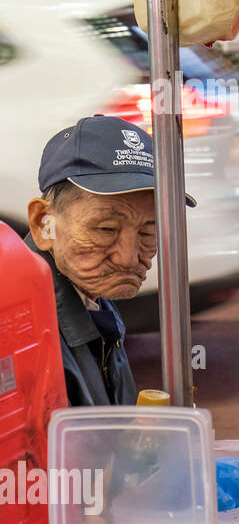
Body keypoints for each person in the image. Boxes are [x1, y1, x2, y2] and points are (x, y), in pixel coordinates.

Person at [24, 116, 196, 406]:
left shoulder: (91, 300)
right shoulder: (21, 326)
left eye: (148, 231)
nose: (128, 258)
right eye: (105, 230)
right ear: (44, 224)